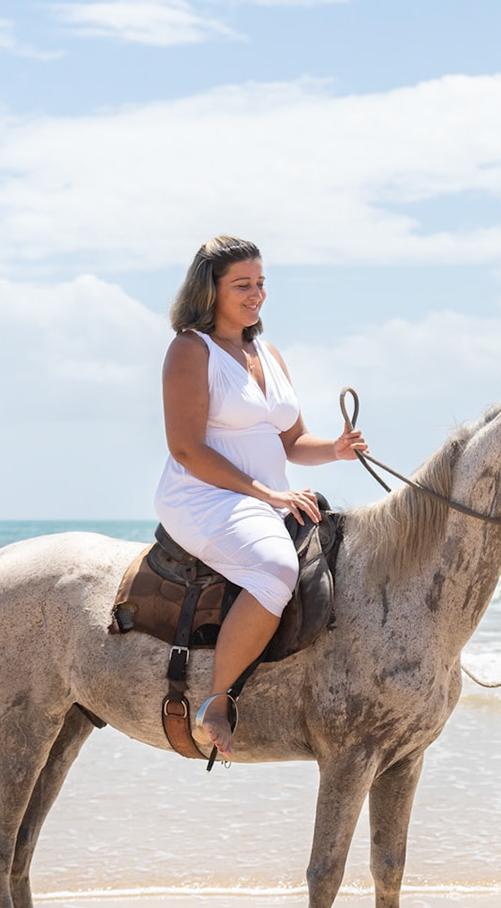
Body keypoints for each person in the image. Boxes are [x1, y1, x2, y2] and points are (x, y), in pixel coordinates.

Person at [154, 235, 366, 759]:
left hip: (266, 498)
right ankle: (217, 702)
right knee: (274, 569)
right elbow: (185, 448)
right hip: (203, 497)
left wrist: (336, 450)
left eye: (261, 284)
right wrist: (266, 491)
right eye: (242, 285)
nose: (257, 295)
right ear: (211, 290)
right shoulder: (189, 349)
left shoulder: (268, 354)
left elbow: (294, 442)